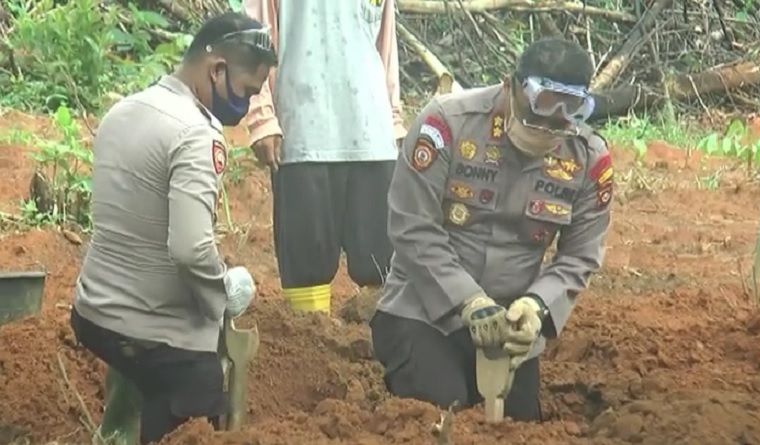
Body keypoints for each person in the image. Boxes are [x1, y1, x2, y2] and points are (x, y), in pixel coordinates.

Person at [369, 37, 613, 422]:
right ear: (510, 86)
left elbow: (580, 256)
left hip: (514, 330)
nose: (547, 131)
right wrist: (469, 301)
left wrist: (536, 307)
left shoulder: (589, 159)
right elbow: (413, 226)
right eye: (537, 113)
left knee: (518, 425)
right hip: (424, 313)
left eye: (563, 121)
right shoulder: (446, 124)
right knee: (443, 411)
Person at [69, 12, 277, 445]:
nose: (246, 104)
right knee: (197, 389)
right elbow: (190, 250)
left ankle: (118, 430)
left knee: (139, 364)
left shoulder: (124, 110)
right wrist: (224, 296)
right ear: (216, 69)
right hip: (148, 332)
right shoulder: (196, 133)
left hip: (92, 315)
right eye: (246, 91)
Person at [242, 0, 407, 313]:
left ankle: (379, 350)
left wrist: (393, 117)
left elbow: (385, 45)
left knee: (382, 261)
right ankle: (310, 351)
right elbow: (257, 34)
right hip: (302, 130)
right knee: (307, 264)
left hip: (372, 130)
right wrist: (261, 116)